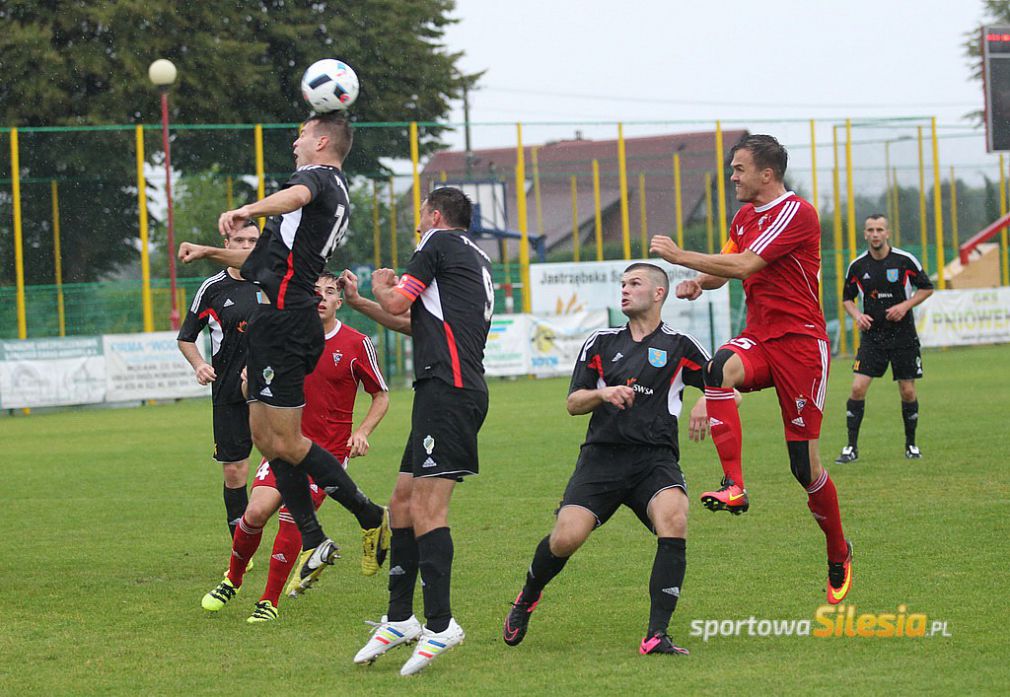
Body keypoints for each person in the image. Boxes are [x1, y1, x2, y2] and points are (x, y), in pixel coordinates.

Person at [178, 111, 389, 596]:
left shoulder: (319, 181)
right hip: (275, 322)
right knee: (267, 440)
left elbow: (295, 193)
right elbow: (257, 262)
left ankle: (368, 516)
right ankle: (318, 536)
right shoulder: (300, 214)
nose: (294, 145)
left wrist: (249, 209)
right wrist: (210, 251)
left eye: (300, 137)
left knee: (288, 442)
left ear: (320, 141)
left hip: (290, 322)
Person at [649, 134, 853, 606]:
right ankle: (734, 485)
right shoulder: (744, 217)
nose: (732, 177)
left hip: (802, 345)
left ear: (767, 174)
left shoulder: (798, 213)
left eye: (739, 169)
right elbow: (725, 269)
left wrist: (680, 257)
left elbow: (745, 264)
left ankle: (838, 550)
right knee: (718, 367)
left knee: (803, 467)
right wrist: (699, 281)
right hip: (761, 337)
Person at [501, 263, 718, 656]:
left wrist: (707, 397)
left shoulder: (680, 344)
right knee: (565, 538)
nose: (624, 290)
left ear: (657, 293)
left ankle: (656, 634)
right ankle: (528, 596)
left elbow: (729, 383)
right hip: (601, 459)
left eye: (634, 284)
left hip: (655, 460)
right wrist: (603, 394)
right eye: (621, 284)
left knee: (675, 518)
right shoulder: (600, 342)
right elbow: (572, 403)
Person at [339, 187, 492, 676]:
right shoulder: (471, 255)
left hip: (450, 389)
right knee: (403, 502)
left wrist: (382, 283)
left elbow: (401, 298)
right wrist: (363, 303)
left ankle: (442, 624)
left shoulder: (436, 244)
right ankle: (401, 618)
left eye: (419, 216)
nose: (417, 224)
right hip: (443, 388)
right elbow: (417, 323)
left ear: (433, 215)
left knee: (428, 508)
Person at [200, 272, 390, 622]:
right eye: (313, 291)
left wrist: (362, 431)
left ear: (338, 301)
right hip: (281, 446)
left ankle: (268, 602)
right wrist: (247, 384)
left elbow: (380, 394)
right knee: (254, 513)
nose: (320, 297)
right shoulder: (280, 339)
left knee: (291, 519)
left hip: (327, 454)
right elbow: (253, 394)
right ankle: (233, 579)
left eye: (329, 292)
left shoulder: (355, 342)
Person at [177, 220, 260, 543]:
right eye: (240, 240)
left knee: (285, 464)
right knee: (235, 471)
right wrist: (199, 365)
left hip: (271, 390)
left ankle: (295, 541)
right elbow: (186, 337)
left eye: (253, 240)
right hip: (227, 391)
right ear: (226, 242)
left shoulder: (272, 279)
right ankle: (241, 545)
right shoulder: (213, 288)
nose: (247, 246)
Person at [835, 214, 933, 464]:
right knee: (857, 388)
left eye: (880, 229)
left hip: (903, 336)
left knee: (908, 391)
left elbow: (926, 287)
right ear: (865, 234)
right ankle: (851, 448)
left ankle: (911, 445)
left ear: (887, 233)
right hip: (873, 338)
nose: (875, 234)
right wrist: (857, 315)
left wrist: (905, 305)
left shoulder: (904, 261)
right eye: (871, 229)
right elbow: (847, 298)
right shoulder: (858, 266)